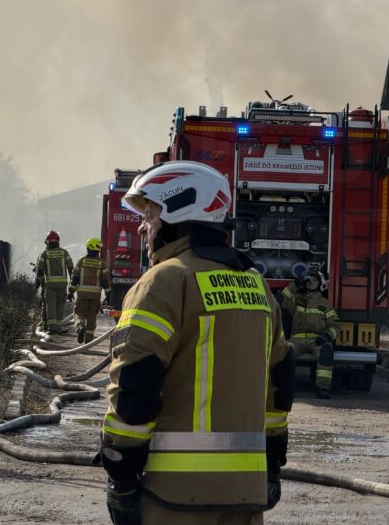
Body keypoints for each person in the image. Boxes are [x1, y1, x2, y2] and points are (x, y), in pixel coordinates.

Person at [99, 161, 294, 525]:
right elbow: (279, 385)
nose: (142, 226)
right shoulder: (257, 286)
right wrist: (271, 464)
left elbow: (134, 384)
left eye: (150, 214)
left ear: (177, 212)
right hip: (246, 495)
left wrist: (120, 474)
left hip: (173, 495)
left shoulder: (164, 282)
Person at [280, 267, 338, 399]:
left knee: (327, 351)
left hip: (317, 340)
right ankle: (283, 387)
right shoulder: (296, 299)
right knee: (283, 352)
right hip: (297, 339)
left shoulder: (325, 304)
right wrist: (295, 284)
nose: (311, 282)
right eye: (308, 279)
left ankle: (322, 388)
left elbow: (335, 326)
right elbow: (281, 300)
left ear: (320, 284)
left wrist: (326, 336)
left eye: (314, 280)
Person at [69, 237, 110, 343]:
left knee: (79, 313)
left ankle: (80, 327)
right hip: (95, 296)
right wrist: (108, 295)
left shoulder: (81, 261)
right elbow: (105, 281)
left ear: (88, 248)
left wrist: (71, 291)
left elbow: (75, 279)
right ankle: (88, 340)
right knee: (92, 317)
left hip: (82, 295)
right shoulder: (102, 263)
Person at [35, 230, 74, 334]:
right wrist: (72, 283)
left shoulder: (45, 253)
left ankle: (52, 328)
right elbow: (71, 268)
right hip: (62, 284)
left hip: (50, 284)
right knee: (60, 306)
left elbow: (40, 270)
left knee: (50, 306)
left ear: (47, 241)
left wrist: (37, 281)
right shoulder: (64, 252)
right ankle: (58, 328)